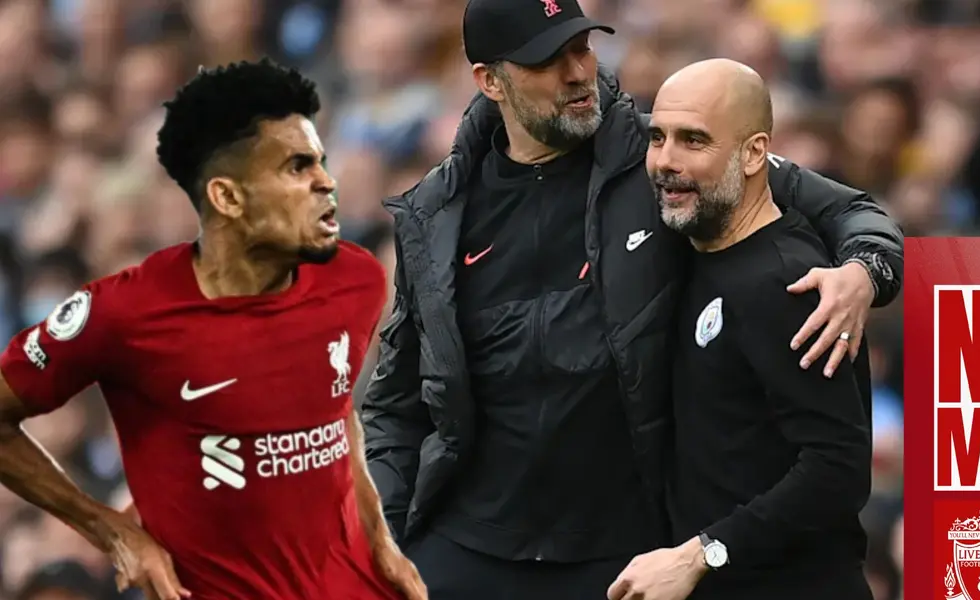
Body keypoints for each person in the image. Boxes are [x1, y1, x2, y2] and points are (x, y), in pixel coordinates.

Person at [361, 0, 901, 597]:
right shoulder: (437, 212)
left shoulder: (667, 156)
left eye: (582, 47)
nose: (577, 72)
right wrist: (381, 532)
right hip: (472, 542)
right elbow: (397, 403)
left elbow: (847, 208)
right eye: (548, 60)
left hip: (621, 553)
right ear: (491, 81)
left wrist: (865, 270)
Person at [0, 59, 426, 600]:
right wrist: (112, 532)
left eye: (320, 160)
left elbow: (335, 410)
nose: (326, 180)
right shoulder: (126, 313)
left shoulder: (356, 279)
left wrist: (380, 539)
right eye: (297, 167)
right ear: (227, 198)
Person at [607, 59, 873, 600]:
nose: (665, 161)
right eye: (657, 137)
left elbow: (837, 469)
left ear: (755, 153)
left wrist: (704, 552)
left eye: (693, 141)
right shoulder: (689, 250)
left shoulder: (787, 284)